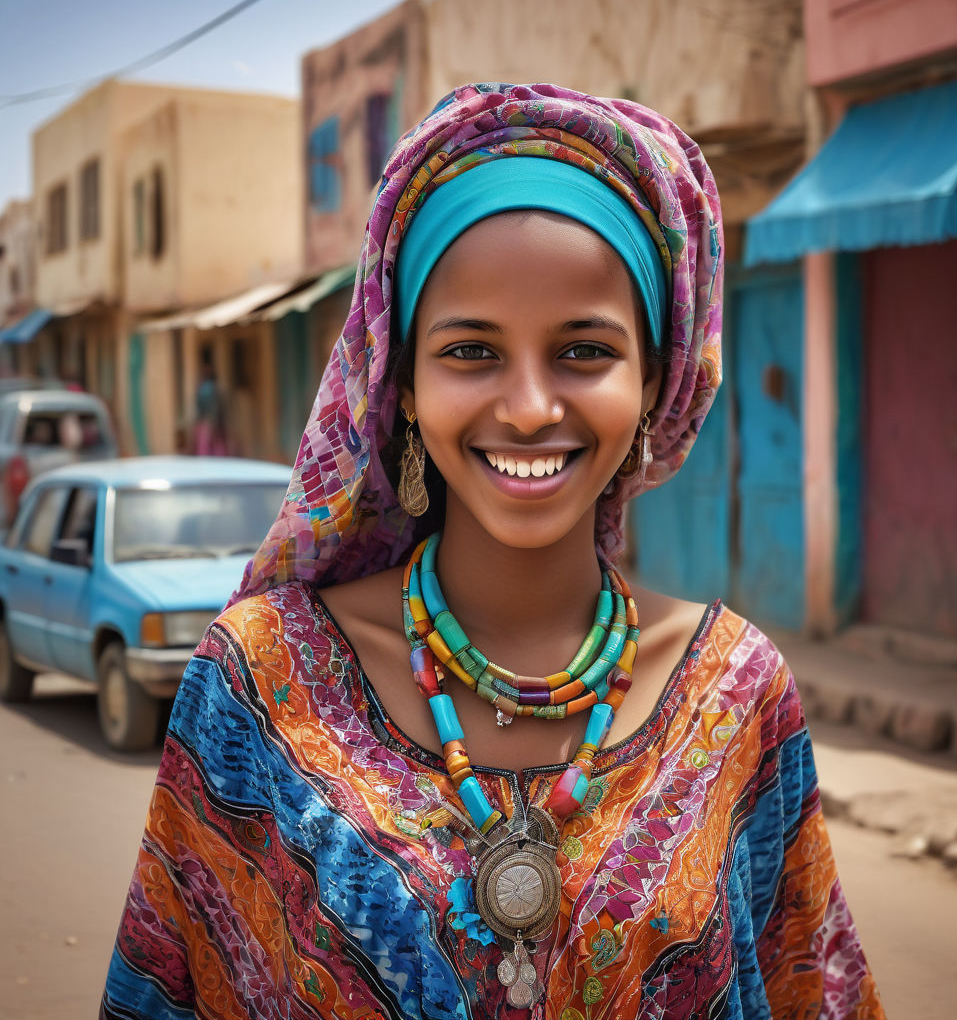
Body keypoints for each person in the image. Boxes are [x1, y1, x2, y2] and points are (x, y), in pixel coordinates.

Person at [101, 83, 884, 1019]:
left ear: (655, 382)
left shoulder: (737, 693)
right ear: (399, 385)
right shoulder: (261, 684)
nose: (526, 407)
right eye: (470, 351)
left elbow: (810, 991)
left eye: (584, 352)